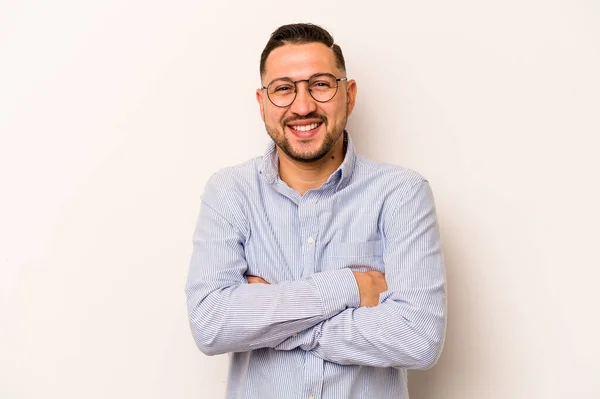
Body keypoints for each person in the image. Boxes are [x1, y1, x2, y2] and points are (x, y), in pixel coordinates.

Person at [185, 23, 446, 399]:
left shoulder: (401, 194)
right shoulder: (230, 192)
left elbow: (419, 338)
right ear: (262, 103)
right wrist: (352, 286)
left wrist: (269, 321)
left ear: (349, 95)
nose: (303, 106)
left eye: (320, 85)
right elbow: (210, 325)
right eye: (283, 89)